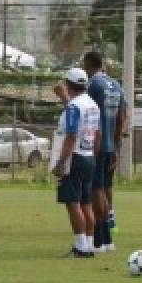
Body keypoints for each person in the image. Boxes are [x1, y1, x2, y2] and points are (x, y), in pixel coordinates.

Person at [53, 68, 101, 258]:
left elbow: (71, 136)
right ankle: (88, 245)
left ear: (68, 84)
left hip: (75, 156)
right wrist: (93, 155)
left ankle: (80, 247)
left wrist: (61, 162)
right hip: (88, 155)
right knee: (86, 204)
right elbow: (98, 133)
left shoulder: (74, 106)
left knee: (73, 204)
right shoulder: (93, 104)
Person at [80, 51, 124, 252]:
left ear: (89, 65)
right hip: (110, 146)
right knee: (104, 189)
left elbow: (88, 113)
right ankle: (107, 238)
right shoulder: (116, 85)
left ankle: (99, 240)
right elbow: (121, 118)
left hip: (96, 146)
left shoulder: (93, 85)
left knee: (96, 190)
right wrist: (116, 146)